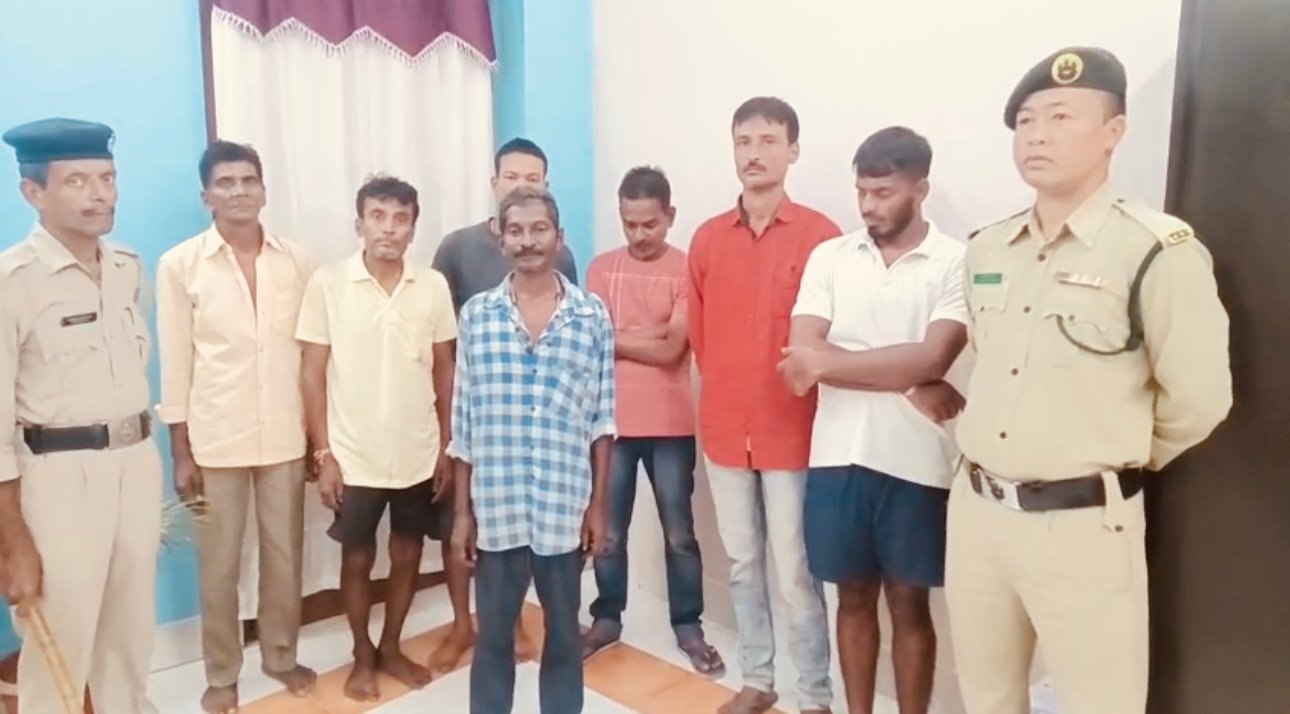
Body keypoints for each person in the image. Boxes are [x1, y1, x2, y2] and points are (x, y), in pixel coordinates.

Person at [948, 47, 1232, 714]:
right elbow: (989, 357)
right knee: (986, 696)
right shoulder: (987, 247)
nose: (1036, 135)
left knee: (1099, 702)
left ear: (1114, 131)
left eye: (1060, 117)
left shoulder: (1156, 250)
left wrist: (1106, 457)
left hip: (1081, 526)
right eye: (1025, 120)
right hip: (978, 514)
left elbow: (1200, 400)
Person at [778, 127, 968, 714]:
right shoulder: (831, 257)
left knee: (910, 605)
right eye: (861, 191)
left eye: (883, 192)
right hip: (837, 455)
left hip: (918, 461)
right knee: (852, 600)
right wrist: (909, 378)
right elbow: (800, 358)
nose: (867, 205)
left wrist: (836, 362)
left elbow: (936, 355)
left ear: (920, 190)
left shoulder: (956, 261)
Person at [0, 117, 163, 714]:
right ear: (33, 192)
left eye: (108, 178)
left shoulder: (128, 267)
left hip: (135, 463)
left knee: (130, 634)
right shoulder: (13, 282)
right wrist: (12, 541)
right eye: (77, 181)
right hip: (58, 478)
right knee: (60, 644)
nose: (100, 194)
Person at [155, 140, 317, 714]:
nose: (239, 191)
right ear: (207, 196)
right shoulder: (180, 265)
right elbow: (176, 362)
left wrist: (317, 439)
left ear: (264, 190)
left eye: (249, 180)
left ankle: (280, 655)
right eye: (226, 182)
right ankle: (222, 673)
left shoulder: (297, 261)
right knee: (218, 566)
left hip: (285, 434)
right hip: (214, 439)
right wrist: (181, 452)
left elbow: (311, 353)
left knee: (285, 556)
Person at [688, 97, 837, 714]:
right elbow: (701, 337)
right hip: (725, 430)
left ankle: (814, 695)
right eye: (743, 141)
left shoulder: (822, 238)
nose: (754, 153)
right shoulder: (706, 239)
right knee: (744, 563)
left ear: (793, 150)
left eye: (768, 140)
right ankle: (758, 679)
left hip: (792, 432)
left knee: (796, 572)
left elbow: (831, 338)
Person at [449, 187, 614, 714]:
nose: (527, 241)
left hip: (564, 504)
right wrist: (462, 514)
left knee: (563, 635)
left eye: (539, 229)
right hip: (497, 506)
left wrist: (597, 506)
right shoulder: (477, 316)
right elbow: (463, 422)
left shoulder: (591, 316)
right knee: (494, 637)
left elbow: (603, 419)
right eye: (515, 231)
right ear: (501, 240)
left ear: (558, 237)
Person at [296, 175, 457, 702]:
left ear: (413, 228)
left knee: (408, 550)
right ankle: (362, 655)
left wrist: (446, 445)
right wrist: (323, 453)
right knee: (358, 557)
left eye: (400, 219)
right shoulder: (328, 284)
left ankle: (390, 647)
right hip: (353, 453)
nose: (388, 228)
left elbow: (444, 370)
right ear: (359, 224)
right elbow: (312, 373)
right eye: (378, 216)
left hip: (417, 450)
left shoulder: (432, 286)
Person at [427, 137, 574, 670]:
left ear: (546, 185)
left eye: (532, 178)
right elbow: (439, 335)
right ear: (494, 183)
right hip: (472, 413)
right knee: (459, 523)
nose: (521, 186)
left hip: (532, 420)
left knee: (515, 529)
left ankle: (509, 620)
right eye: (511, 177)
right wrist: (448, 423)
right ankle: (461, 624)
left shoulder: (562, 254)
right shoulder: (457, 247)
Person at [582, 167, 724, 676]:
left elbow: (672, 350)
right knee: (608, 532)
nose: (639, 234)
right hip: (612, 424)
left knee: (679, 533)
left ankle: (688, 627)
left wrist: (616, 337)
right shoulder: (601, 269)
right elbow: (591, 341)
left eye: (650, 224)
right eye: (629, 224)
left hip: (671, 424)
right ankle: (606, 619)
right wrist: (649, 335)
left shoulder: (688, 269)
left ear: (670, 216)